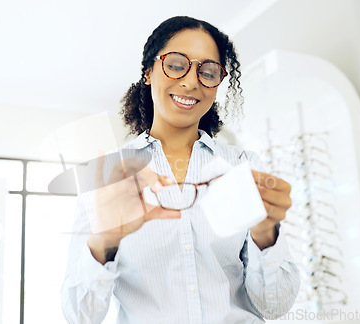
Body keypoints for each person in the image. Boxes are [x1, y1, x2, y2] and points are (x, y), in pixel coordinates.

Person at [61, 16, 300, 323]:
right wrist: (104, 240)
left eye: (208, 71)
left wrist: (266, 234)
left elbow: (274, 306)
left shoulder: (243, 166)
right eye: (176, 65)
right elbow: (80, 316)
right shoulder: (108, 175)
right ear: (148, 72)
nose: (190, 82)